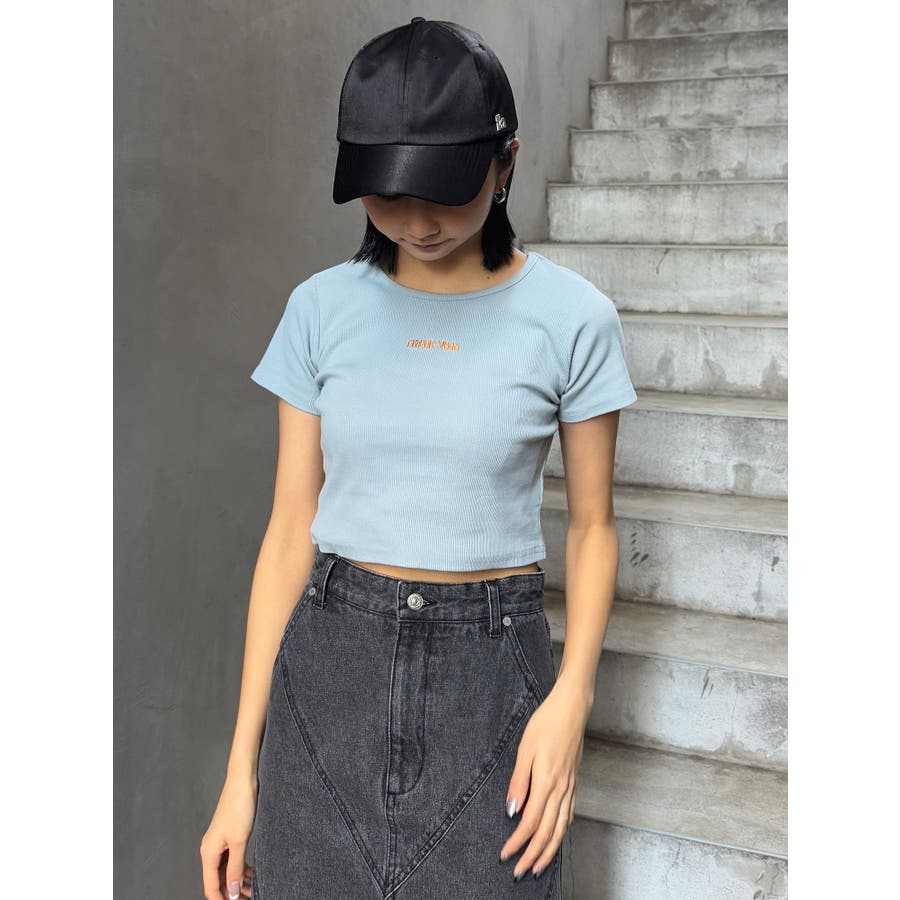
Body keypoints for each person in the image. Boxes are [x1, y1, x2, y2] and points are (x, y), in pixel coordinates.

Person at [201, 17, 638, 900]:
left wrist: (572, 699)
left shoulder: (574, 319)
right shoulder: (319, 309)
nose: (415, 221)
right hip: (328, 673)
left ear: (505, 164)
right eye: (386, 194)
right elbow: (288, 533)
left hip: (493, 678)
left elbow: (594, 529)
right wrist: (240, 773)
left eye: (442, 191)